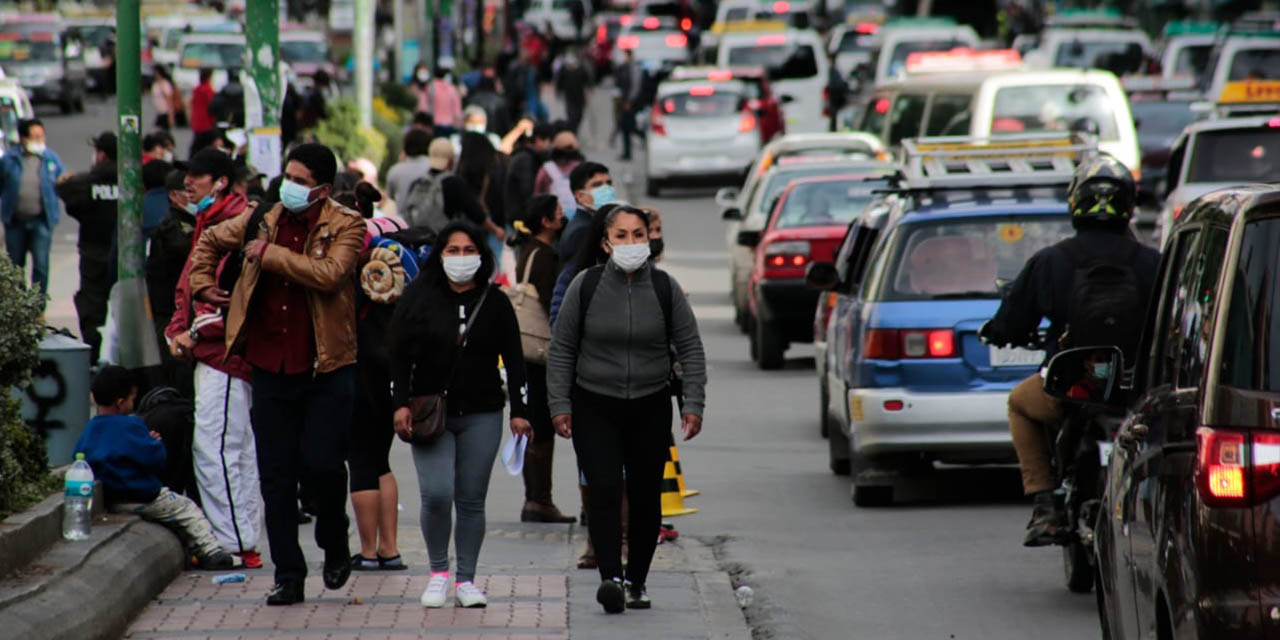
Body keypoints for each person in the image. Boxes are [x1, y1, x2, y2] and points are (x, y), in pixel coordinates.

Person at [185, 143, 367, 605]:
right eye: (288, 175)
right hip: (268, 364)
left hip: (326, 366)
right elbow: (207, 239)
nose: (290, 186)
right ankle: (289, 573)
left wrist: (267, 255)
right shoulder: (260, 216)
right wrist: (204, 282)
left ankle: (335, 538)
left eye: (301, 180)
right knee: (276, 476)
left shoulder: (348, 224)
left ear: (323, 190)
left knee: (323, 464)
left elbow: (329, 274)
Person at [980, 154, 1159, 547]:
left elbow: (1012, 322)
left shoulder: (1051, 261)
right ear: (1128, 206)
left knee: (1018, 403)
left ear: (1076, 202)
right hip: (1139, 391)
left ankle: (1045, 505)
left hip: (1076, 387)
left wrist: (997, 332)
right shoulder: (1153, 263)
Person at [546, 205, 707, 613]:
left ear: (649, 240)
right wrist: (559, 404)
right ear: (605, 242)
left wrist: (693, 403)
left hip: (650, 404)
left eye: (638, 234)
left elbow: (691, 348)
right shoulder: (586, 285)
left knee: (644, 495)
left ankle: (637, 579)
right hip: (593, 402)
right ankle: (610, 578)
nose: (632, 243)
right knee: (601, 489)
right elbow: (562, 349)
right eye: (621, 235)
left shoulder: (666, 288)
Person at [389, 221, 533, 609]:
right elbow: (399, 357)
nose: (461, 258)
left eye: (469, 250)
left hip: (483, 412)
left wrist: (521, 412)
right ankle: (438, 573)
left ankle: (466, 579)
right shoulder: (418, 298)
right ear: (439, 256)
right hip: (429, 412)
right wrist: (399, 403)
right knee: (437, 493)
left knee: (471, 499)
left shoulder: (496, 301)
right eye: (452, 250)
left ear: (481, 256)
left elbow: (516, 361)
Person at [164, 148, 264, 568]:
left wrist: (187, 334)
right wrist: (177, 329)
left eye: (197, 177)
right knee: (234, 448)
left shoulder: (230, 225)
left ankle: (233, 544)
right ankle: (242, 539)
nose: (189, 184)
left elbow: (229, 302)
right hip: (219, 353)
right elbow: (191, 289)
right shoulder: (215, 219)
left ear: (220, 181)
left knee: (217, 448)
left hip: (223, 355)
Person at [75, 366, 242, 570]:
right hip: (143, 495)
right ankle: (211, 551)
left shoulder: (89, 430)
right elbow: (154, 459)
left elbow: (80, 455)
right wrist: (154, 443)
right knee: (186, 509)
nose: (133, 403)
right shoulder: (131, 425)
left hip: (113, 499)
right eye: (132, 398)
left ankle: (191, 551)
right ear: (120, 402)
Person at [339, 182, 408, 572]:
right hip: (388, 369)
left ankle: (366, 552)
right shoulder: (388, 254)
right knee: (380, 460)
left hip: (356, 368)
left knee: (361, 460)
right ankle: (390, 548)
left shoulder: (346, 258)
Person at [508, 194, 575, 523]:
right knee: (541, 425)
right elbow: (552, 304)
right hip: (539, 350)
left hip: (526, 353)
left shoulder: (528, 249)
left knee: (535, 420)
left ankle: (536, 498)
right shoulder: (545, 255)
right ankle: (538, 499)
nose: (563, 218)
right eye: (559, 214)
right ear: (546, 221)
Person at [57, 132, 118, 365]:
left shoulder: (86, 183)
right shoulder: (133, 181)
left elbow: (64, 190)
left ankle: (94, 359)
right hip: (124, 256)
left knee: (92, 310)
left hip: (94, 254)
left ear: (101, 155)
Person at [3, 118, 64, 306]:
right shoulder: (9, 160)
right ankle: (19, 307)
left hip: (41, 221)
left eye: (41, 136)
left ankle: (37, 308)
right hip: (16, 222)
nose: (39, 140)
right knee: (15, 268)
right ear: (23, 138)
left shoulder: (50, 159)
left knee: (41, 265)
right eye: (34, 136)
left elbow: (61, 182)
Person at [146, 168, 195, 396]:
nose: (193, 196)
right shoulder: (173, 230)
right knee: (176, 388)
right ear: (174, 196)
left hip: (175, 319)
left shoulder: (187, 224)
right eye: (188, 191)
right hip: (170, 319)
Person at [456, 131, 509, 258]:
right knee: (493, 260)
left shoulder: (463, 168)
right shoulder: (496, 163)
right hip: (494, 219)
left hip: (470, 220)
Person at [559, 161, 615, 262]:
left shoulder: (593, 222)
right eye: (597, 185)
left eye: (609, 183)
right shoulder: (582, 231)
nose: (607, 189)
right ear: (580, 196)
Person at [504, 121, 553, 227]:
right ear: (539, 140)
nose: (550, 146)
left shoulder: (530, 157)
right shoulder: (525, 159)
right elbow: (528, 190)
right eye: (549, 142)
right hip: (520, 221)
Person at [533, 130, 585, 220]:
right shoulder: (582, 168)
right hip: (577, 217)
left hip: (554, 218)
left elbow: (538, 193)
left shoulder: (546, 169)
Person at [554, 49, 592, 135]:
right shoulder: (564, 69)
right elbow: (559, 82)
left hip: (580, 96)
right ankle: (572, 131)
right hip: (569, 96)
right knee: (571, 115)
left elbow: (587, 80)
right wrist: (558, 92)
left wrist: (589, 90)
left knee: (579, 115)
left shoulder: (581, 68)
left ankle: (575, 129)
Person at [615, 49, 644, 161]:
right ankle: (627, 153)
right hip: (625, 101)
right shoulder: (624, 68)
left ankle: (643, 137)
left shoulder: (633, 68)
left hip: (631, 103)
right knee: (626, 127)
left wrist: (629, 101)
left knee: (628, 126)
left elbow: (635, 87)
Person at [463, 73, 510, 140]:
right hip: (495, 137)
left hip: (473, 139)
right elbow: (505, 125)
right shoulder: (501, 101)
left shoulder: (472, 99)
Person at [427, 68, 464, 138]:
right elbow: (457, 110)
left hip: (434, 124)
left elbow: (427, 106)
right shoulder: (451, 89)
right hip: (450, 124)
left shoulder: (430, 88)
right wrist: (459, 124)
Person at [151, 64, 179, 130]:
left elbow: (169, 99)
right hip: (159, 111)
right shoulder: (155, 84)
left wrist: (171, 115)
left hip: (165, 111)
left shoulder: (165, 84)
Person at [190, 68, 216, 135]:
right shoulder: (208, 90)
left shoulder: (197, 89)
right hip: (206, 123)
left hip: (197, 121)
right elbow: (212, 106)